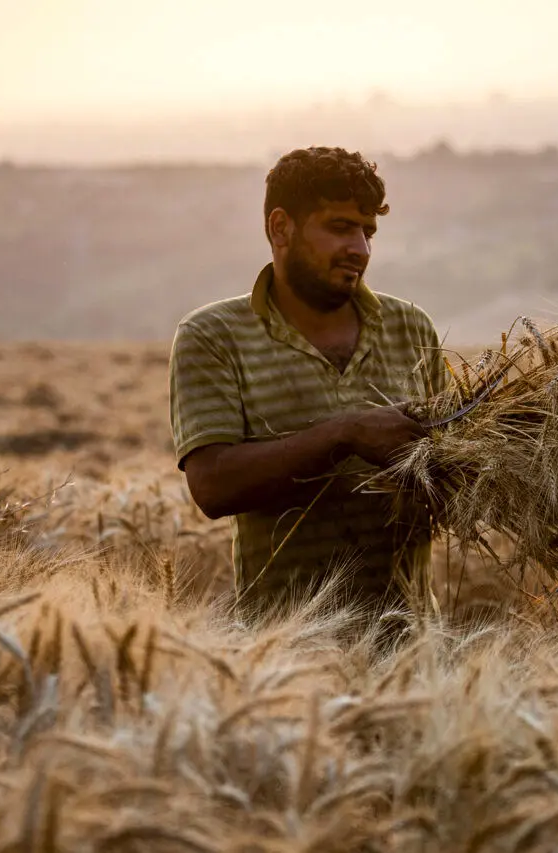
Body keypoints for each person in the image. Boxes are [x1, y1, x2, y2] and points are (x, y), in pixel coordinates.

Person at [168, 146, 445, 621]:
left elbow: (447, 475)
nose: (360, 248)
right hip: (284, 654)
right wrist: (345, 434)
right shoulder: (213, 336)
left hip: (413, 648)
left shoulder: (411, 327)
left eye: (368, 231)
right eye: (339, 227)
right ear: (281, 228)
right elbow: (212, 487)